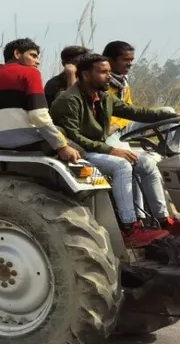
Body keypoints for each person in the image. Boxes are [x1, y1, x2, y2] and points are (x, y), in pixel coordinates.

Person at [50, 53, 180, 244]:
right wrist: (111, 150)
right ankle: (130, 229)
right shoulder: (68, 100)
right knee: (122, 166)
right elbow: (74, 137)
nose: (109, 76)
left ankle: (164, 220)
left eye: (109, 72)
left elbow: (134, 112)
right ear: (86, 75)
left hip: (96, 148)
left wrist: (168, 116)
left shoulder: (103, 97)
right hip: (77, 152)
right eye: (103, 72)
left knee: (146, 163)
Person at [0, 38, 80, 162]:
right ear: (17, 54)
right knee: (84, 154)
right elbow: (38, 115)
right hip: (28, 141)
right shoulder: (30, 73)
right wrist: (61, 146)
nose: (38, 62)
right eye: (33, 56)